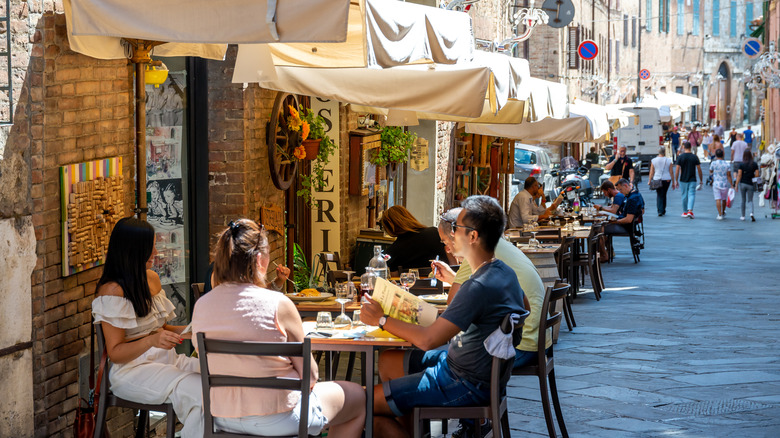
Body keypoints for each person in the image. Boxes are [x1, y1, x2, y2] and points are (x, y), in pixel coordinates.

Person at [362, 196, 526, 438]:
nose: (451, 233)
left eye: (456, 228)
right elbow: (524, 306)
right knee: (390, 360)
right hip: (471, 371)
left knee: (361, 405)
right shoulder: (504, 272)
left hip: (462, 382)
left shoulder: (478, 286)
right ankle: (412, 427)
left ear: (472, 236)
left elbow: (429, 340)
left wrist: (382, 319)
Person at [191, 219, 366, 437]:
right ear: (258, 259)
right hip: (280, 416)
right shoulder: (279, 304)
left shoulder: (201, 306)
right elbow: (310, 376)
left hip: (222, 416)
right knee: (358, 396)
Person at [431, 208, 543, 437]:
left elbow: (454, 307)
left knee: (458, 353)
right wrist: (455, 278)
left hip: (517, 346)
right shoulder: (494, 246)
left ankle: (473, 421)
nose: (447, 249)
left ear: (460, 235)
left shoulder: (476, 253)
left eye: (446, 241)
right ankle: (474, 419)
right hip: (531, 337)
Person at [91, 217, 203, 437]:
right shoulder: (112, 292)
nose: (155, 251)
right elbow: (116, 353)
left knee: (216, 379)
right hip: (132, 372)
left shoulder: (151, 279)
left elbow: (161, 328)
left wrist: (192, 330)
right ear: (134, 250)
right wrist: (152, 341)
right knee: (201, 393)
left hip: (166, 361)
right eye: (150, 246)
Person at [380, 206, 451, 274]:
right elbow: (453, 263)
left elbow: (393, 280)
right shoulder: (435, 233)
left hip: (413, 285)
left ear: (390, 228)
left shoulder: (392, 251)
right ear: (408, 217)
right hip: (444, 283)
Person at [675, 142, 703, 219]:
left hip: (683, 179)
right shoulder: (694, 157)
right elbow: (699, 169)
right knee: (692, 194)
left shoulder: (680, 157)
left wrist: (676, 180)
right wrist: (701, 180)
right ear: (690, 147)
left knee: (684, 195)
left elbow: (677, 169)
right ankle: (690, 210)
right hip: (692, 178)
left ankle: (685, 211)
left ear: (684, 147)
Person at [648, 147, 675, 216]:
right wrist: (674, 181)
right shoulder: (668, 160)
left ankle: (660, 210)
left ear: (658, 152)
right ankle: (663, 209)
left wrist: (649, 180)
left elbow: (651, 172)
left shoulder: (653, 160)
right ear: (664, 152)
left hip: (657, 178)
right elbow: (671, 172)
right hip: (667, 179)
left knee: (659, 194)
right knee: (663, 194)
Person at [735, 150, 760, 221]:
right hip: (750, 184)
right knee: (750, 200)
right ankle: (751, 213)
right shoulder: (754, 164)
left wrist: (736, 184)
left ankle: (743, 216)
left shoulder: (741, 164)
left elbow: (739, 175)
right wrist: (752, 175)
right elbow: (757, 175)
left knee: (743, 200)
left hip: (743, 184)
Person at [709, 149, 733, 220]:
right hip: (724, 183)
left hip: (716, 183)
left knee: (717, 199)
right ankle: (723, 211)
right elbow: (729, 175)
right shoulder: (727, 164)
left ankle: (719, 214)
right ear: (723, 155)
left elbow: (710, 171)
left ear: (716, 155)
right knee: (723, 199)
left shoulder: (713, 163)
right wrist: (731, 184)